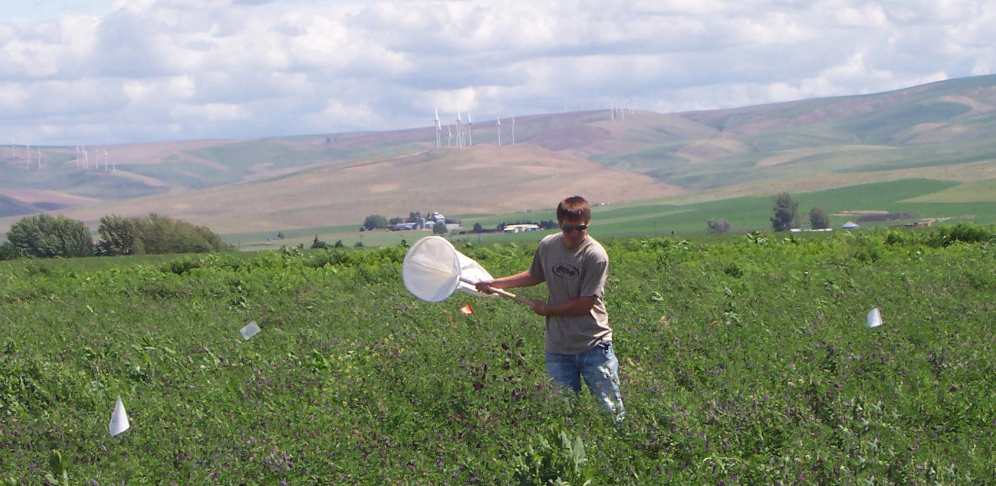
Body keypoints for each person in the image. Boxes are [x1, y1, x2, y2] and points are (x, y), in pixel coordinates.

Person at [476, 195, 624, 420]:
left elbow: (585, 304)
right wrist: (495, 284)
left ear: (588, 224)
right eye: (568, 228)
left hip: (593, 345)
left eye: (580, 228)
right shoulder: (548, 246)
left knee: (611, 411)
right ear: (559, 224)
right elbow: (535, 275)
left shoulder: (595, 255)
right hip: (558, 349)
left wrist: (547, 310)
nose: (574, 233)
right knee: (563, 414)